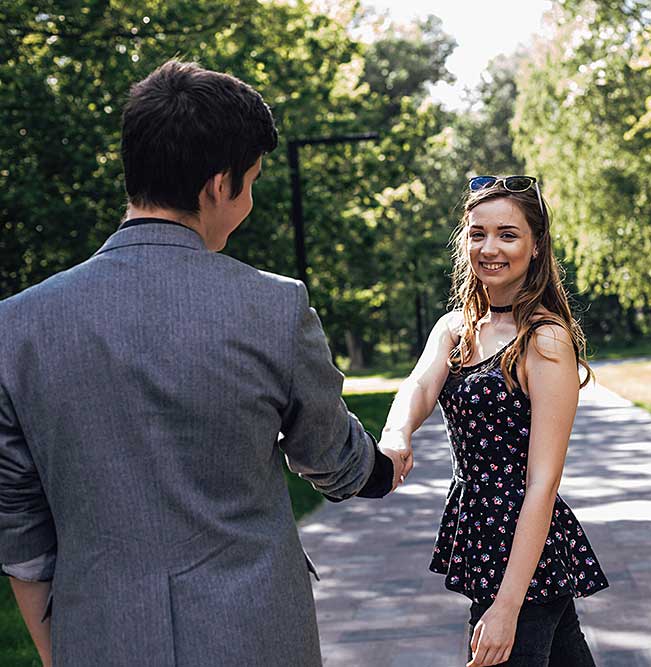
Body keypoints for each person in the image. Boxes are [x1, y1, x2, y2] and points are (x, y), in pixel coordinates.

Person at [0, 60, 406, 667]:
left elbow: (19, 522)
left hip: (101, 638)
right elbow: (328, 455)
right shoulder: (275, 306)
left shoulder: (17, 324)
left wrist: (62, 652)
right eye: (253, 180)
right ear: (220, 185)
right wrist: (380, 467)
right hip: (255, 637)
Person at [381, 175, 609, 666]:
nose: (490, 247)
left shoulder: (544, 340)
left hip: (523, 555)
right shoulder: (456, 328)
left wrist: (507, 606)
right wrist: (397, 433)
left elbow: (542, 484)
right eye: (478, 232)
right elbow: (419, 386)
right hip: (484, 537)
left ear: (536, 244)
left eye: (508, 234)